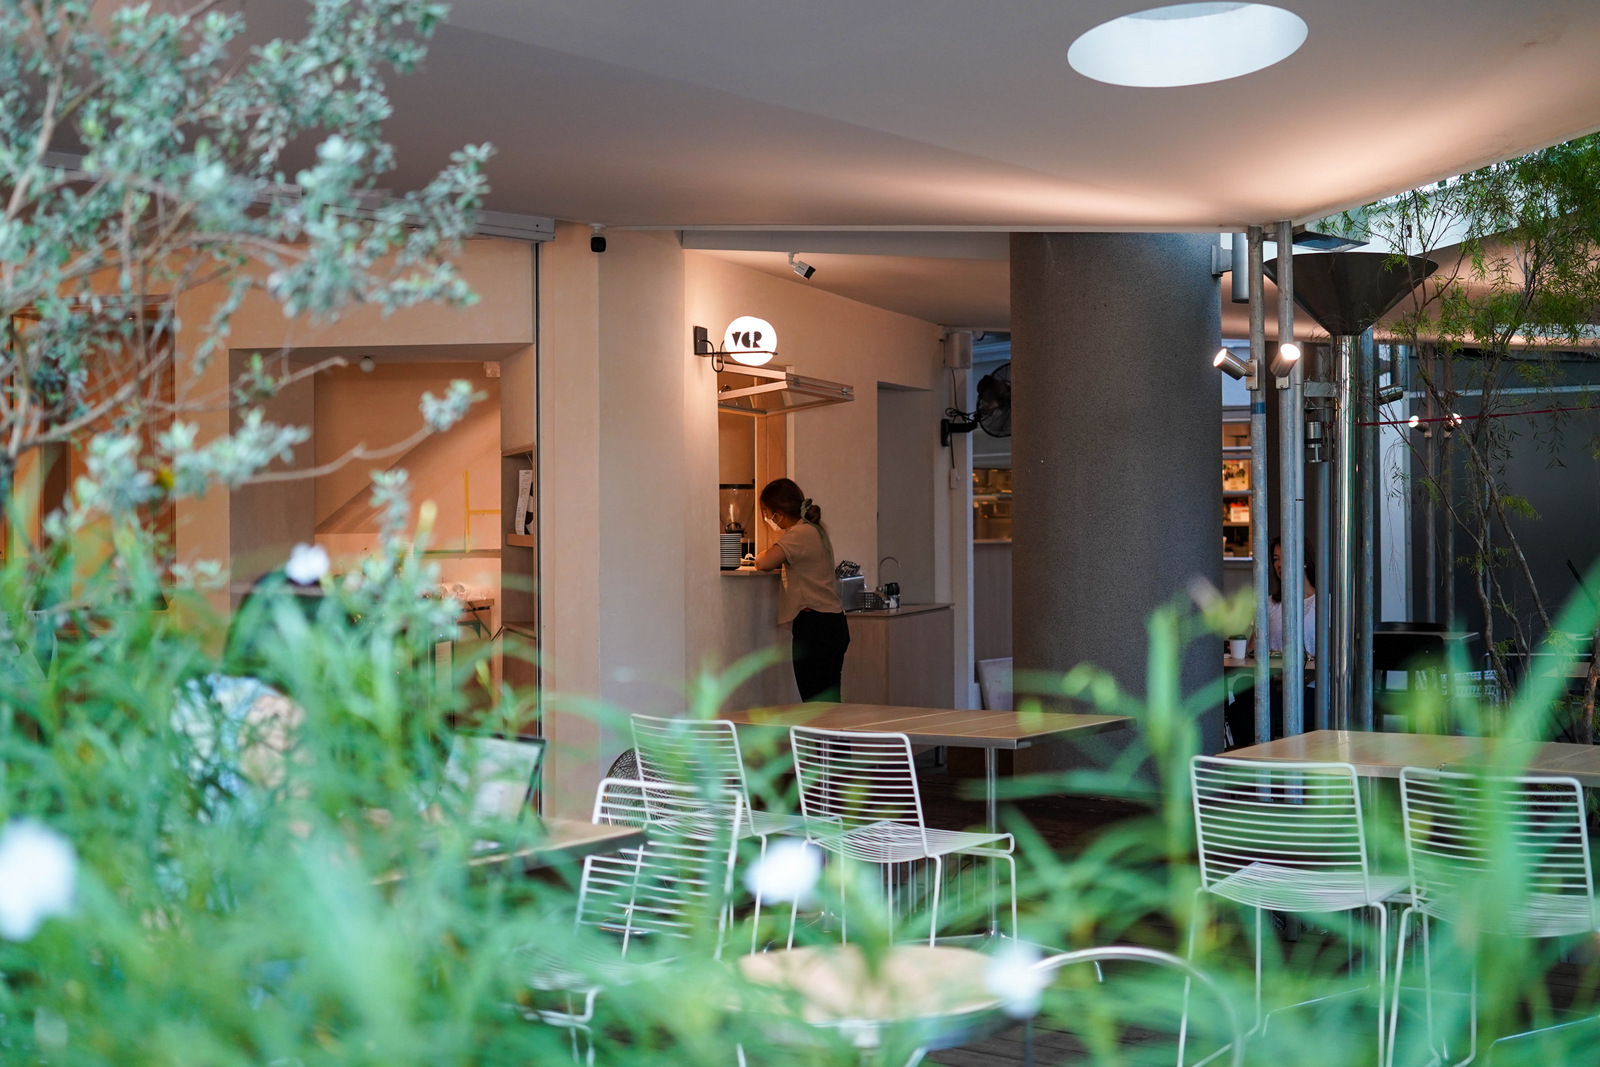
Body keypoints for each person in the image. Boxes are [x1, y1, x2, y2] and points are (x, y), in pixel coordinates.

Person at [753, 478, 850, 701]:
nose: (767, 518)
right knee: (829, 702)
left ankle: (824, 727)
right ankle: (832, 726)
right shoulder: (815, 530)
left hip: (815, 625)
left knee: (815, 702)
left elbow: (764, 562)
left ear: (778, 513)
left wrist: (761, 554)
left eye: (766, 512)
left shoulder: (800, 534)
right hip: (832, 622)